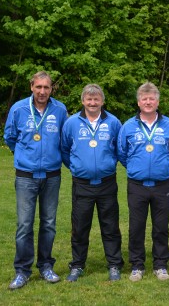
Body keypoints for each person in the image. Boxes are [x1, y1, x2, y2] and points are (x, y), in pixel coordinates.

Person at [4, 71, 68, 290]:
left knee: (49, 224)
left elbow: (64, 139)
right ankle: (22, 271)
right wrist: (26, 157)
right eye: (38, 87)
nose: (42, 91)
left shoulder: (60, 110)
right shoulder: (19, 109)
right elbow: (10, 138)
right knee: (24, 225)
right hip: (26, 176)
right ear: (31, 86)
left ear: (51, 89)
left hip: (51, 176)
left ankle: (46, 266)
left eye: (46, 87)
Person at [61, 84, 124, 282]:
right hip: (82, 183)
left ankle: (114, 264)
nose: (92, 103)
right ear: (83, 101)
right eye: (89, 99)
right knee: (80, 226)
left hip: (106, 183)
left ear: (102, 101)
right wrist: (77, 167)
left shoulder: (113, 122)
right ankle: (77, 265)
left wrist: (108, 164)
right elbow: (64, 149)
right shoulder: (72, 123)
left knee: (110, 226)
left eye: (96, 99)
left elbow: (120, 149)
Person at [117, 82, 169, 282]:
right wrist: (138, 168)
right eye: (144, 99)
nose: (148, 102)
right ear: (138, 102)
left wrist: (161, 167)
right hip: (137, 185)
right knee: (136, 226)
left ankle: (160, 265)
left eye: (151, 98)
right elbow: (122, 153)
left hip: (162, 185)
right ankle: (137, 265)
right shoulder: (128, 126)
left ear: (157, 101)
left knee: (161, 226)